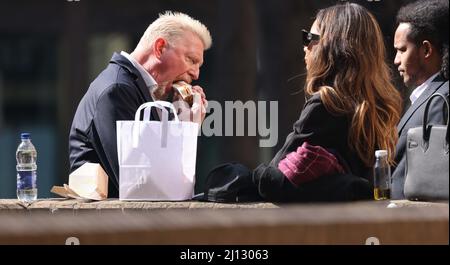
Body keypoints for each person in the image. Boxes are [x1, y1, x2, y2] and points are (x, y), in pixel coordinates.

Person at [250, 2, 403, 202]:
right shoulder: (378, 108)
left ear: (333, 46)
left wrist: (252, 174)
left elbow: (274, 174)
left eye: (310, 38)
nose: (304, 46)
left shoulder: (325, 104)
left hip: (323, 228)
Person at [69, 11, 212, 197]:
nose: (196, 74)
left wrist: (179, 121)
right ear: (160, 48)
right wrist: (185, 129)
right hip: (108, 223)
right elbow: (146, 186)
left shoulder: (143, 91)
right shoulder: (117, 89)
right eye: (191, 60)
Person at [391, 0, 449, 199]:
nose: (396, 60)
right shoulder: (427, 96)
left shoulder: (442, 100)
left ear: (426, 50)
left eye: (402, 50)